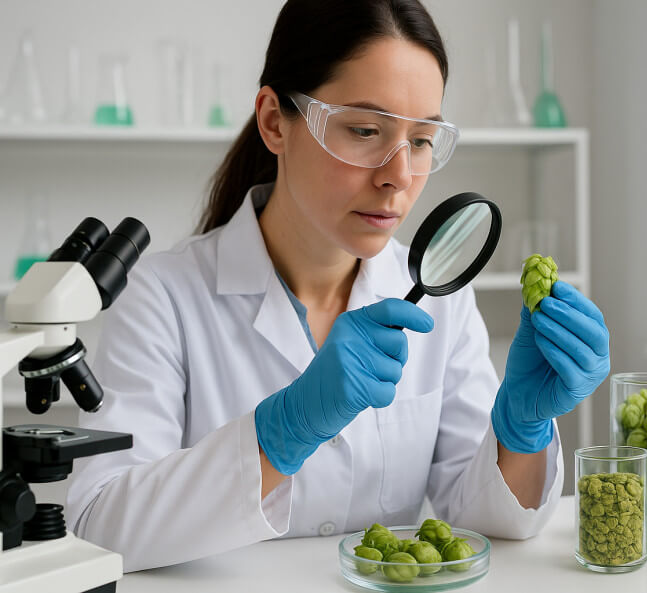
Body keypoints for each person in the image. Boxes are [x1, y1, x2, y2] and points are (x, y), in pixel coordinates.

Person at [67, 0, 610, 573]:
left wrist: (520, 430)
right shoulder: (163, 295)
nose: (398, 176)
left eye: (422, 140)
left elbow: (485, 520)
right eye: (365, 130)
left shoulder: (440, 298)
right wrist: (284, 429)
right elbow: (100, 527)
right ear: (275, 121)